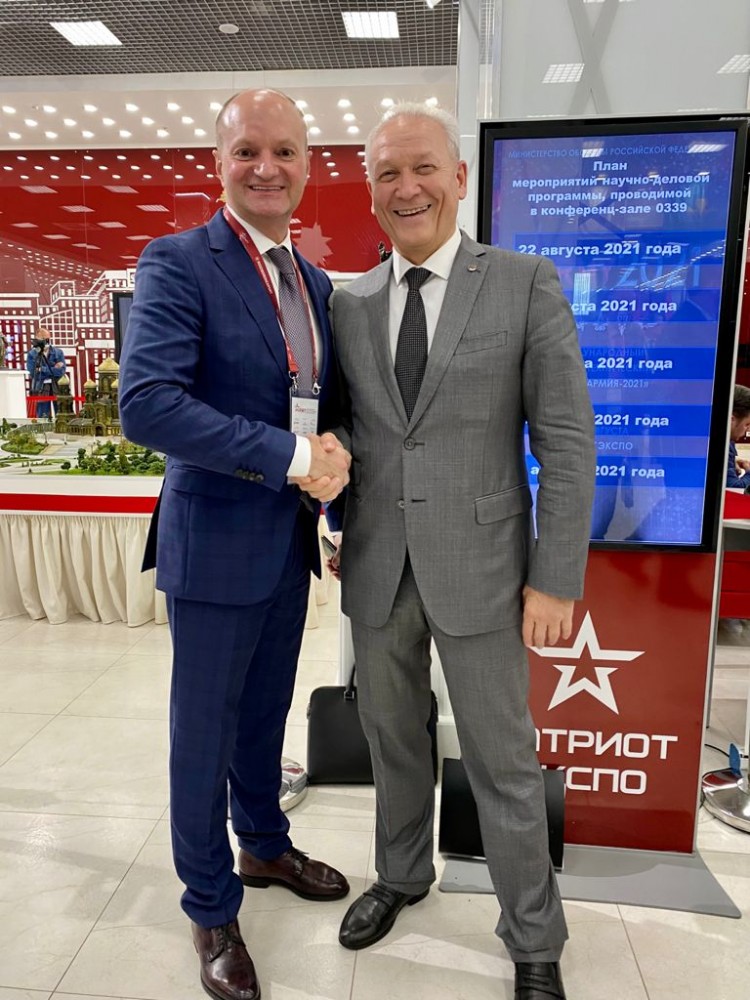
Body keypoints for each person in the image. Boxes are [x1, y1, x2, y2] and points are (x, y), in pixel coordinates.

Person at [319, 103, 595, 1000]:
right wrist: (330, 485)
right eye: (388, 174)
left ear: (460, 177)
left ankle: (534, 937)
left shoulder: (523, 282)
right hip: (377, 566)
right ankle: (401, 875)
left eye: (424, 168)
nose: (408, 188)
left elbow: (568, 441)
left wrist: (555, 578)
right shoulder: (350, 302)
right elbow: (350, 429)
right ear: (370, 191)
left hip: (485, 571)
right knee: (391, 738)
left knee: (501, 759)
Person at [118, 88, 352, 1000]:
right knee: (204, 733)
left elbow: (324, 408)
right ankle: (210, 906)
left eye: (285, 151)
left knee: (263, 716)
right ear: (218, 163)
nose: (267, 167)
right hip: (214, 544)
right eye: (248, 150)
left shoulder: (313, 283)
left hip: (286, 542)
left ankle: (262, 847)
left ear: (307, 166)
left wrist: (333, 470)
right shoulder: (180, 261)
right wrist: (294, 457)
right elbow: (149, 405)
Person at [26, 328, 65, 417]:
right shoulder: (32, 354)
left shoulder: (58, 352)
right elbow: (33, 373)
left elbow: (61, 371)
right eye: (43, 338)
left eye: (47, 338)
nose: (46, 341)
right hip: (40, 387)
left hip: (57, 385)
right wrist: (53, 368)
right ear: (37, 338)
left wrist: (42, 369)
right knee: (43, 415)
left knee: (62, 413)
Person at [726, 384, 750, 489]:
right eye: (747, 424)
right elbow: (734, 488)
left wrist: (730, 465)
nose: (748, 430)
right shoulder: (723, 448)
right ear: (730, 420)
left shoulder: (729, 441)